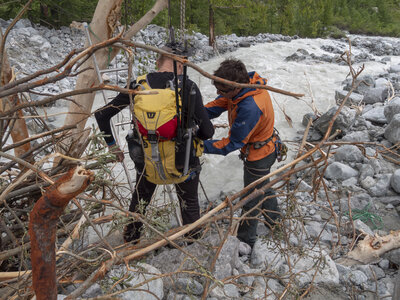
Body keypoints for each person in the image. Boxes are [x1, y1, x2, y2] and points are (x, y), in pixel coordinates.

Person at [95, 43, 214, 243]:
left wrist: (113, 146)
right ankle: (192, 242)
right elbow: (208, 132)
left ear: (159, 62)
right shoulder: (188, 86)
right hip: (182, 161)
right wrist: (195, 134)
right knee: (189, 202)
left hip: (148, 161)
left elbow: (101, 115)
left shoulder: (137, 86)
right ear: (181, 65)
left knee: (140, 200)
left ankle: (131, 241)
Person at [204, 58, 280, 248]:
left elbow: (233, 143)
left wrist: (201, 146)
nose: (219, 93)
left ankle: (246, 240)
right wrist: (197, 114)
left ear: (235, 88)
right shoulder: (246, 84)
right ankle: (276, 223)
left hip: (259, 154)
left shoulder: (250, 106)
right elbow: (220, 103)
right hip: (265, 146)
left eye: (222, 90)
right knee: (263, 186)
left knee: (251, 197)